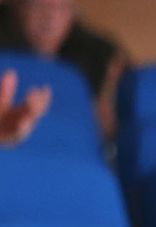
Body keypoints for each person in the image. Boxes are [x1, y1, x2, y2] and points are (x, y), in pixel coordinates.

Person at [0, 0, 119, 134]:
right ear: (17, 9)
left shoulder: (98, 56)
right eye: (39, 7)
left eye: (62, 8)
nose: (50, 19)